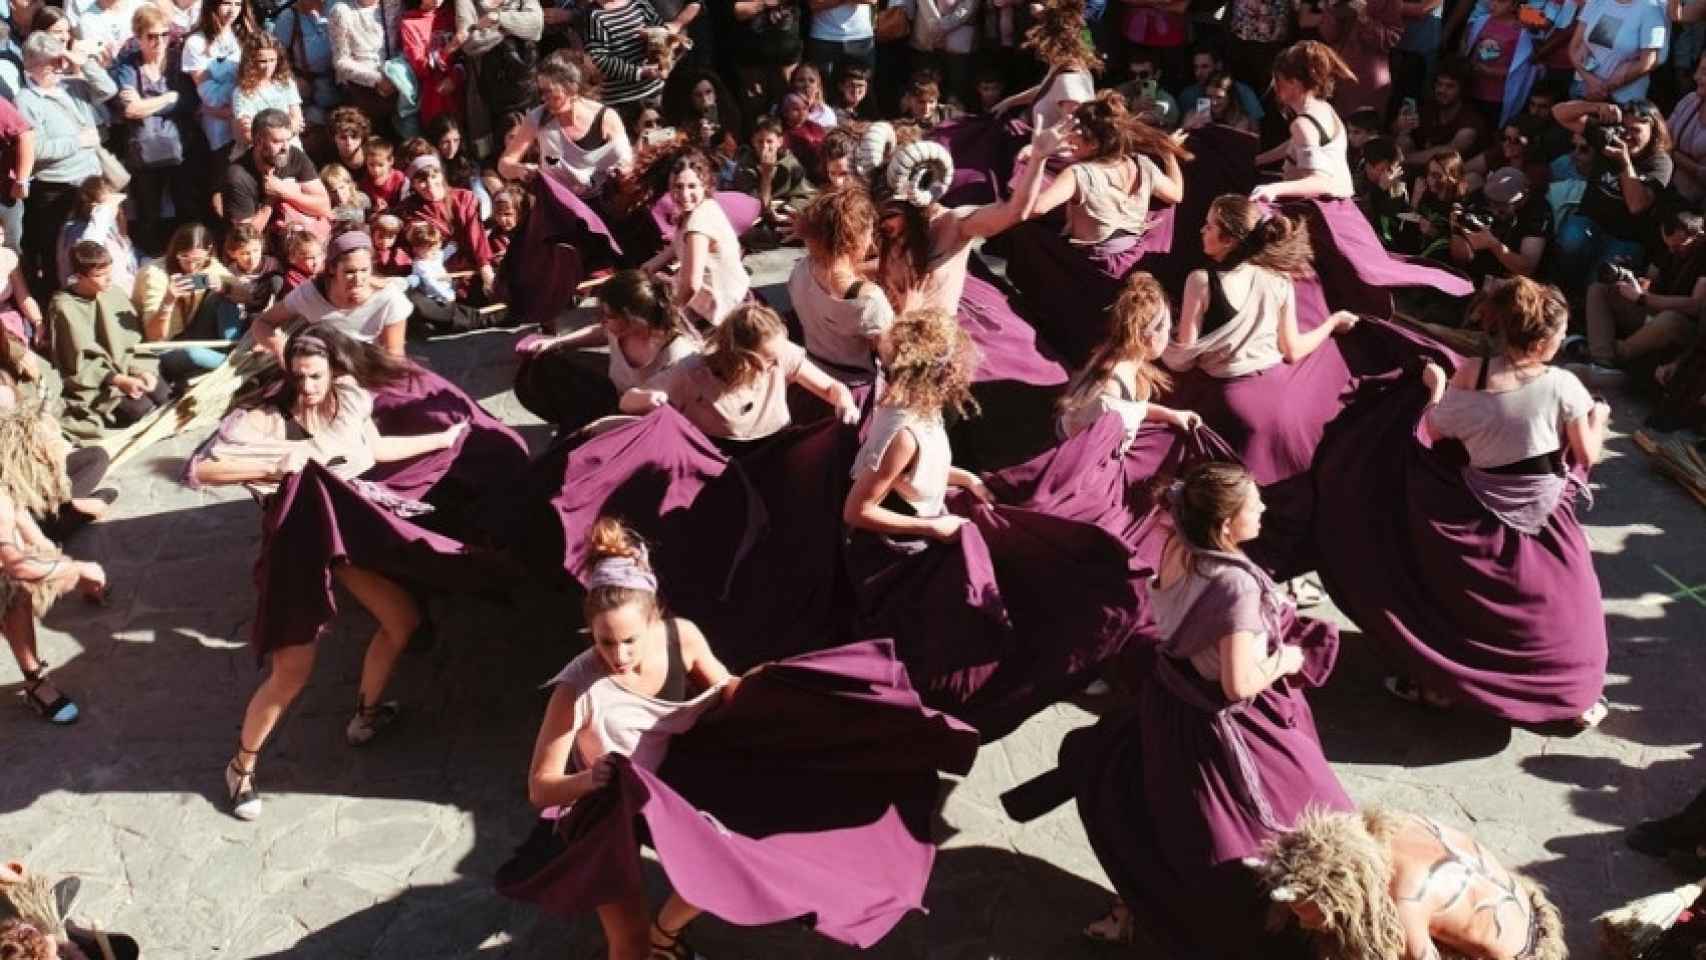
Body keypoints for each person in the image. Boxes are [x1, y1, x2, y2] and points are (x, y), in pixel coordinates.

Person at [1025, 460, 1350, 954]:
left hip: (1171, 705)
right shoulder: (1234, 584)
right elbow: (1238, 683)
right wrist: (1285, 660)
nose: (1263, 506)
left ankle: (1140, 908)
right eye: (1253, 503)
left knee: (1169, 824)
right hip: (1228, 728)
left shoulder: (1176, 547)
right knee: (1306, 819)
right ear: (1224, 525)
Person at [192, 325, 468, 820]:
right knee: (291, 672)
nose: (308, 386)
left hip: (346, 541)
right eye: (299, 377)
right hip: (296, 549)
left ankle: (364, 718)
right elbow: (201, 469)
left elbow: (374, 451)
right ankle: (241, 767)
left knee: (402, 621)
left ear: (334, 370)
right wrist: (281, 463)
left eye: (316, 376)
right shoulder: (265, 418)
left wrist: (442, 438)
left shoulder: (348, 398)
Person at [1319, 277, 1610, 725]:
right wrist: (1602, 418)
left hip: (1478, 509)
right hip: (1546, 514)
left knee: (1457, 605)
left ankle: (1445, 683)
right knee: (1569, 605)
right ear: (1545, 337)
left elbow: (1434, 431)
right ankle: (1569, 694)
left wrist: (1435, 389)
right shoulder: (1562, 385)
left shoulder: (1473, 372)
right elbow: (1587, 454)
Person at [523, 515, 738, 960]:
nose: (618, 655)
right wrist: (590, 779)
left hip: (667, 790)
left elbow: (731, 693)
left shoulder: (684, 638)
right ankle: (650, 943)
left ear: (655, 617)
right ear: (590, 631)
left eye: (630, 641)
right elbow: (540, 789)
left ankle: (667, 933)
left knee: (731, 866)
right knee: (629, 945)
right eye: (605, 642)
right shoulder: (575, 689)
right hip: (605, 809)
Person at [1256, 807, 1566, 960]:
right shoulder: (1391, 826)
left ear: (1340, 897)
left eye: (1310, 914)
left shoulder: (1405, 904)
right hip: (1522, 907)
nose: (1307, 924)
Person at [842, 306, 991, 540]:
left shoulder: (921, 405)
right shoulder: (905, 437)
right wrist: (933, 528)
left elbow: (913, 471)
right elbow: (856, 511)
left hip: (921, 510)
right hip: (899, 535)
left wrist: (967, 479)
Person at [0, 407, 109, 725]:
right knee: (14, 586)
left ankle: (34, 684)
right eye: (53, 445)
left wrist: (73, 569)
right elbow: (20, 566)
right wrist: (78, 571)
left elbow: (39, 546)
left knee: (12, 593)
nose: (61, 453)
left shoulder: (8, 487)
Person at [625, 301, 858, 445]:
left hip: (777, 444)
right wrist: (650, 398)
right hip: (724, 459)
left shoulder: (780, 354)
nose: (778, 364)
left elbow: (832, 388)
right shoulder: (692, 371)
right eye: (768, 359)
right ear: (743, 359)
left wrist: (845, 402)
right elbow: (627, 401)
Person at [514, 268, 701, 430]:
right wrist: (558, 342)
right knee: (545, 363)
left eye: (608, 315)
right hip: (615, 396)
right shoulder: (620, 329)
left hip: (640, 421)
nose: (602, 319)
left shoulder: (678, 356)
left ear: (633, 318)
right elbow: (601, 332)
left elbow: (670, 415)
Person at [13, 31, 117, 301]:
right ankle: (57, 307)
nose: (56, 68)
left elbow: (108, 90)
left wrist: (81, 61)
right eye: (49, 63)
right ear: (31, 66)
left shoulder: (73, 85)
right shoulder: (26, 100)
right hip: (55, 189)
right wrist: (78, 141)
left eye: (58, 61)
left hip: (90, 184)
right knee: (55, 255)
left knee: (97, 245)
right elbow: (35, 149)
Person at [1057, 272, 1201, 454]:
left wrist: (1172, 415)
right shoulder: (1110, 395)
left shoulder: (1129, 364)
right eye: (1168, 328)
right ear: (1150, 336)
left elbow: (1135, 409)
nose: (1171, 333)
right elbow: (1088, 455)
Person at [47, 242, 169, 440]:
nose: (108, 279)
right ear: (79, 276)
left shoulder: (114, 293)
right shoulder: (64, 307)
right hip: (99, 384)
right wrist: (119, 380)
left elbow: (134, 340)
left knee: (164, 397)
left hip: (130, 368)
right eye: (99, 275)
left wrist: (143, 371)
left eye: (109, 272)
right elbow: (77, 363)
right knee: (143, 412)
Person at [1550, 98, 1672, 283]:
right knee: (1571, 239)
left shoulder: (1660, 163)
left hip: (1626, 238)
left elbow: (1637, 205)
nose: (1627, 136)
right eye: (1624, 128)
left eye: (1635, 131)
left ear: (1653, 132)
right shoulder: (1609, 137)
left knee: (1600, 280)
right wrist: (1596, 107)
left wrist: (1624, 162)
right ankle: (1565, 286)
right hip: (1590, 222)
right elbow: (1559, 112)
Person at [1576, 208, 1706, 381]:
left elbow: (1695, 305)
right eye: (1669, 246)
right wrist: (1636, 283)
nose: (1673, 251)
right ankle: (1603, 364)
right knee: (1599, 290)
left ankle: (1610, 354)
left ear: (1697, 237)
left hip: (1683, 326)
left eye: (1679, 247)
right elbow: (1651, 280)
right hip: (1653, 309)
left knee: (1670, 319)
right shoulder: (1668, 250)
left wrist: (1643, 298)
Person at [113, 3, 197, 254]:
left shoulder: (177, 61)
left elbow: (190, 101)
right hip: (144, 154)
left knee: (186, 209)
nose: (159, 41)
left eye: (164, 34)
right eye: (151, 36)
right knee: (148, 214)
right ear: (138, 37)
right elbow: (130, 110)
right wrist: (168, 99)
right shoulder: (129, 65)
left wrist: (148, 104)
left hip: (180, 149)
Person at [789, 184, 894, 385]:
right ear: (857, 238)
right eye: (870, 233)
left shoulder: (800, 271)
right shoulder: (869, 300)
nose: (871, 242)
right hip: (854, 389)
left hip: (814, 379)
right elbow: (892, 360)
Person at [251, 230, 410, 357]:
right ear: (333, 269)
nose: (358, 279)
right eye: (350, 272)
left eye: (364, 270)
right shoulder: (310, 293)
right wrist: (281, 350)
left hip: (370, 368)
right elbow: (263, 322)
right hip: (325, 369)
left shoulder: (389, 298)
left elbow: (394, 354)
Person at [498, 53, 634, 198]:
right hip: (561, 206)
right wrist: (520, 170)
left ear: (571, 88)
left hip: (607, 202)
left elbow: (628, 162)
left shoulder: (606, 117)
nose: (543, 98)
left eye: (548, 92)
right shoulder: (538, 118)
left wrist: (623, 171)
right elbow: (504, 165)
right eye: (540, 93)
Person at [640, 152, 748, 329]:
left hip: (720, 310)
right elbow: (674, 248)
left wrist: (671, 316)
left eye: (692, 186)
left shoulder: (698, 224)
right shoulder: (697, 210)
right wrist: (644, 271)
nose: (684, 194)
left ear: (705, 186)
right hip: (712, 298)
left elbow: (691, 285)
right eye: (678, 186)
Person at [132, 221, 247, 379]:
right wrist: (168, 300)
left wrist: (224, 287)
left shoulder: (210, 265)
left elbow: (247, 296)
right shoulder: (154, 274)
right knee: (192, 354)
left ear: (208, 252)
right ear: (175, 253)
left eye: (198, 260)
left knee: (224, 298)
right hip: (166, 345)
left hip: (195, 332)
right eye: (185, 258)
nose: (192, 267)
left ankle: (233, 349)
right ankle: (238, 364)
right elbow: (155, 338)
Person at [1252, 40, 1358, 202]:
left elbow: (1320, 182)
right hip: (1341, 209)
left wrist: (1273, 189)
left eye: (1278, 80)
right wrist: (1257, 160)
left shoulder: (1303, 124)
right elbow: (1297, 144)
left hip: (1321, 215)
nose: (1274, 86)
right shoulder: (1324, 109)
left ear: (1293, 83)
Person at [220, 110, 334, 249]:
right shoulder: (238, 176)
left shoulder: (294, 156)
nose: (285, 147)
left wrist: (285, 192)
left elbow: (324, 207)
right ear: (258, 142)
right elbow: (243, 241)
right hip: (260, 250)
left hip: (300, 240)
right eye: (277, 141)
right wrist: (270, 202)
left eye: (288, 139)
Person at [395, 154, 497, 297]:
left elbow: (476, 237)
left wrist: (485, 268)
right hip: (434, 273)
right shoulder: (409, 209)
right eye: (422, 180)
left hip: (470, 266)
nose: (430, 184)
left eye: (434, 176)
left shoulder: (464, 198)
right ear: (413, 184)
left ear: (441, 175)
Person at [1447, 165, 1550, 285]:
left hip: (1517, 281)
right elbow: (1461, 259)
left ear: (1522, 199)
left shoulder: (1537, 210)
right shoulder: (1482, 197)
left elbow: (1527, 268)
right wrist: (1457, 230)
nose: (1494, 210)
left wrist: (1493, 245)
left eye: (1501, 205)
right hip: (1481, 275)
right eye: (1491, 202)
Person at [180, 0, 251, 157]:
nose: (232, 10)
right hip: (219, 130)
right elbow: (212, 98)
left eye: (238, 4)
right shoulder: (196, 43)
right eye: (226, 3)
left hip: (248, 122)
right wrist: (239, 96)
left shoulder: (244, 35)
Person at [1393, 61, 1491, 169]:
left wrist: (1403, 159)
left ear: (1462, 90)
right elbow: (1394, 132)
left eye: (1450, 86)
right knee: (1403, 140)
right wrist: (1399, 126)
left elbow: (1448, 153)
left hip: (1451, 174)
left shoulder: (1470, 120)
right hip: (1420, 167)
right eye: (1439, 84)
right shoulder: (1429, 107)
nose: (1441, 90)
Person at [1569, 0, 1666, 104]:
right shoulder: (1595, 2)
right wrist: (1590, 80)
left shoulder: (1651, 8)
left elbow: (1649, 61)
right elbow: (1574, 47)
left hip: (1624, 100)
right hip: (1583, 88)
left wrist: (1603, 88)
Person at [328, 0, 403, 129]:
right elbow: (340, 61)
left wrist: (397, 76)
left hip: (397, 83)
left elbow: (404, 44)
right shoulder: (341, 11)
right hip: (362, 89)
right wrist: (377, 79)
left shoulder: (393, 5)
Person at [232, 32, 304, 153]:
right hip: (260, 152)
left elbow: (297, 119)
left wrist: (280, 135)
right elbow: (248, 133)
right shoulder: (242, 92)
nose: (268, 66)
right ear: (251, 62)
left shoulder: (287, 84)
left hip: (292, 149)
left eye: (272, 60)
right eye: (262, 61)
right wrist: (282, 135)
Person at [1669, 58, 1706, 205]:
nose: (1696, 77)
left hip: (1695, 211)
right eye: (1699, 70)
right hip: (1665, 188)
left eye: (1704, 72)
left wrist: (1671, 153)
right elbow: (1662, 135)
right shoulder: (1691, 100)